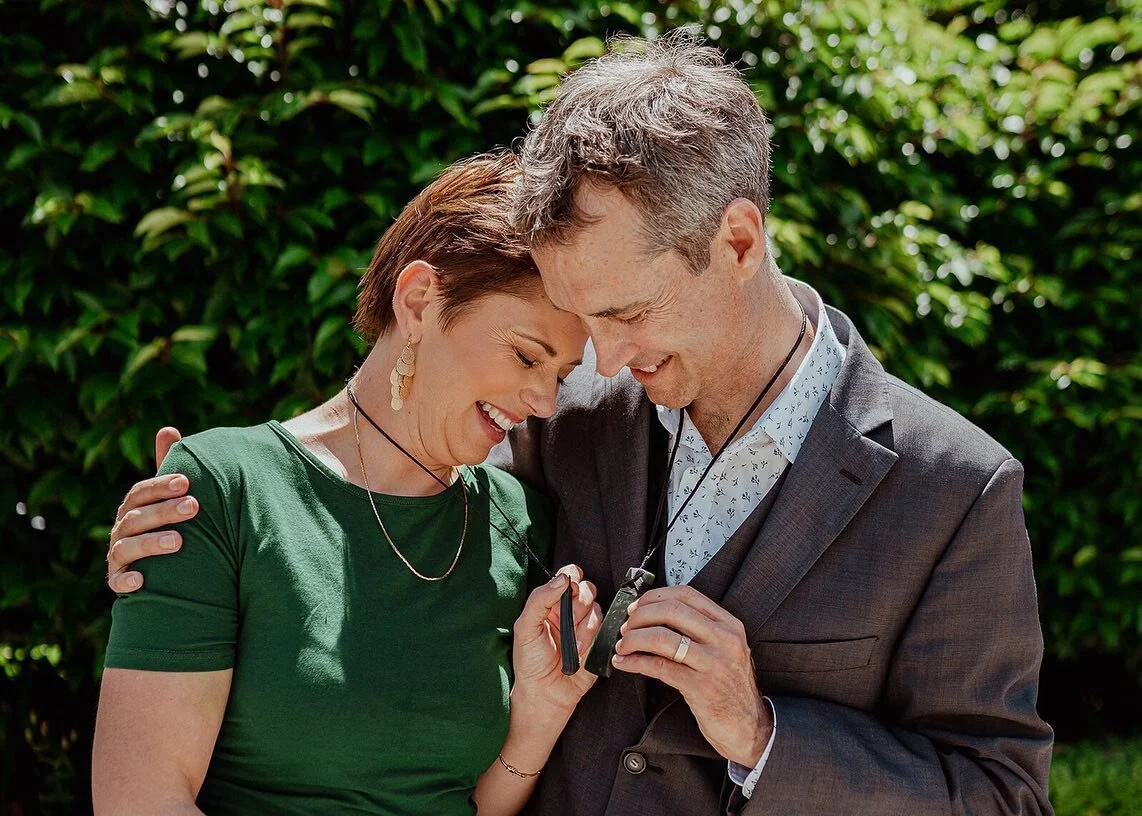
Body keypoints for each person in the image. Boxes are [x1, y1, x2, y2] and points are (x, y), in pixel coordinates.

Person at [106, 33, 1054, 815]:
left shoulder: (954, 489)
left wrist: (763, 733)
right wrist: (195, 520)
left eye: (627, 314)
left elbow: (1004, 797)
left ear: (737, 241)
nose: (596, 363)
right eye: (574, 324)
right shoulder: (567, 423)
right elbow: (394, 454)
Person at [92, 152, 603, 815]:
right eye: (527, 355)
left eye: (561, 374)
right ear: (419, 301)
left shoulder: (520, 523)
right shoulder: (221, 490)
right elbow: (141, 799)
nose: (543, 401)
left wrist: (539, 713)